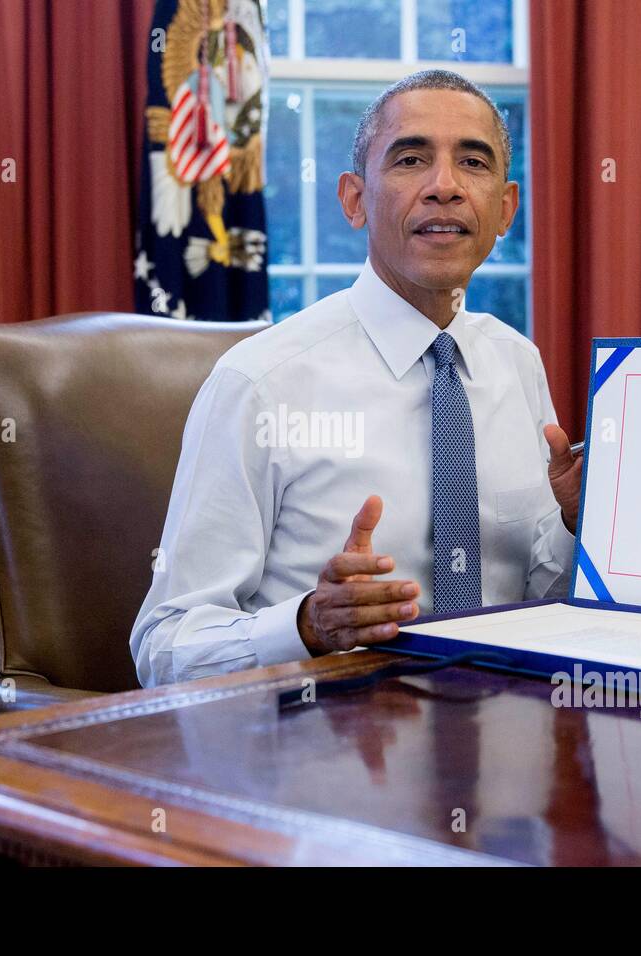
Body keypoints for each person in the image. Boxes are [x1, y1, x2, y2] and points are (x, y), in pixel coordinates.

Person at [131, 69, 583, 686]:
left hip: (503, 738)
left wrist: (572, 527)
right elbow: (162, 648)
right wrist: (307, 627)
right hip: (327, 750)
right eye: (411, 159)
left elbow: (533, 601)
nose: (444, 187)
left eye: (472, 163)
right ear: (353, 199)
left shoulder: (517, 362)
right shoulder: (260, 382)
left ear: (504, 209)